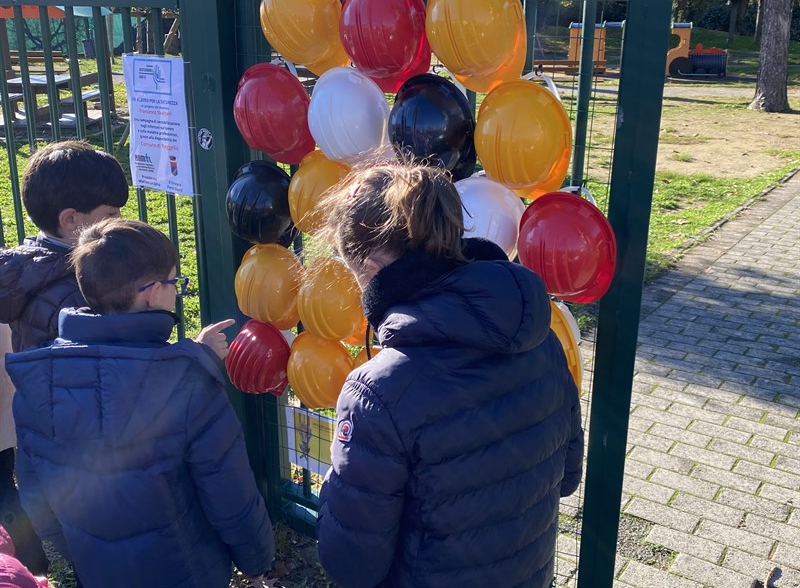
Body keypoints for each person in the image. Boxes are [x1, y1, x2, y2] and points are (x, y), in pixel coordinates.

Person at [316, 162, 584, 588]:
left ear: (370, 269)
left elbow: (351, 562)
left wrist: (336, 486)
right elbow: (566, 477)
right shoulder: (540, 338)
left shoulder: (378, 392)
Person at [5, 219, 275, 588]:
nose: (175, 292)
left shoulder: (39, 378)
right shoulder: (185, 380)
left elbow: (35, 490)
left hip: (97, 570)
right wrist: (255, 560)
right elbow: (229, 490)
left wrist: (77, 552)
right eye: (175, 283)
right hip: (187, 572)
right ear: (151, 293)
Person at [0, 140, 129, 577]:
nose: (120, 222)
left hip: (46, 436)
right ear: (72, 221)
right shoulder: (79, 287)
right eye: (111, 214)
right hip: (88, 441)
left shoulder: (27, 269)